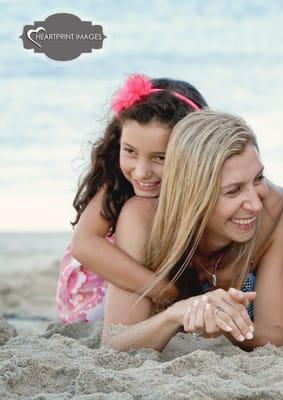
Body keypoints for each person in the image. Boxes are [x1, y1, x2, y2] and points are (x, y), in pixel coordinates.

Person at [101, 110, 283, 352]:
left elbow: (275, 334)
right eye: (233, 190)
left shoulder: (278, 210)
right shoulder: (143, 219)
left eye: (258, 178)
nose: (255, 204)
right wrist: (175, 315)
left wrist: (224, 321)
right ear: (192, 195)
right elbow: (113, 343)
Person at [56, 74, 207, 323]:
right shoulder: (116, 181)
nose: (141, 171)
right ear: (119, 142)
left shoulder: (200, 183)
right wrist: (164, 291)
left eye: (160, 157)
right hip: (101, 296)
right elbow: (84, 244)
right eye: (130, 152)